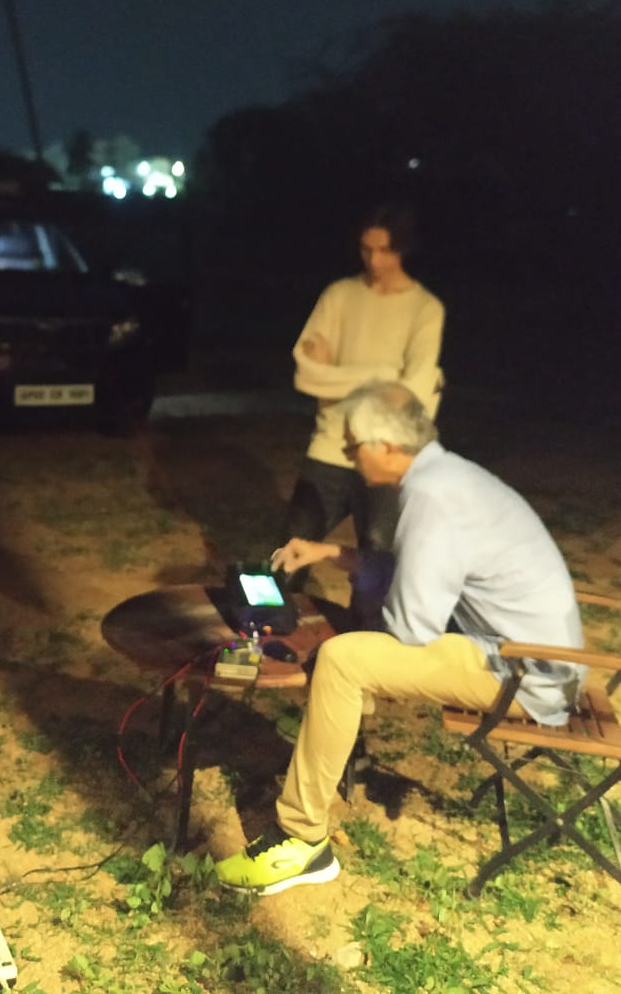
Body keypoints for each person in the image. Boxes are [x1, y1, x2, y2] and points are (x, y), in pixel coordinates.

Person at [216, 382, 586, 896]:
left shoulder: (432, 499)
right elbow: (407, 569)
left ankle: (304, 843)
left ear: (383, 446)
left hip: (526, 675)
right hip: (534, 658)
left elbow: (412, 629)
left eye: (352, 447)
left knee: (345, 660)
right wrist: (328, 554)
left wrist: (344, 645)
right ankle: (329, 776)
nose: (347, 458)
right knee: (351, 652)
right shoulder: (447, 477)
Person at [285, 205, 444, 555]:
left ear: (403, 249)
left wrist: (335, 377)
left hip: (385, 453)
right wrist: (386, 375)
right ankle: (269, 612)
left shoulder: (425, 309)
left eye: (385, 251)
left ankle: (365, 614)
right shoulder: (338, 296)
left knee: (377, 557)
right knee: (291, 546)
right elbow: (306, 375)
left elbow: (413, 396)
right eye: (366, 250)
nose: (374, 261)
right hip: (329, 444)